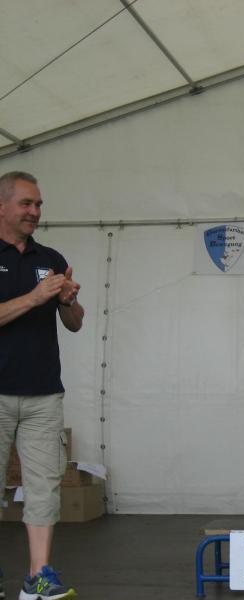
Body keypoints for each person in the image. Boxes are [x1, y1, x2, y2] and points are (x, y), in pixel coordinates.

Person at [0, 171, 83, 599]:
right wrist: (35, 297)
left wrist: (67, 301)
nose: (34, 212)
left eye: (38, 205)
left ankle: (39, 576)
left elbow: (75, 323)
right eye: (26, 204)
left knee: (44, 487)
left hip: (43, 393)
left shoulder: (49, 257)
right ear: (2, 206)